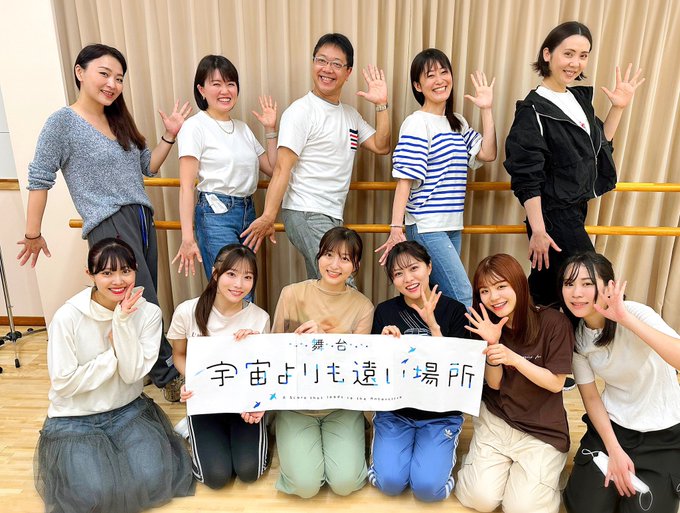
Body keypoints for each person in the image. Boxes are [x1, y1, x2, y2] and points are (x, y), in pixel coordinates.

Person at [19, 43, 191, 399]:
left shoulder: (118, 119)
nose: (113, 84)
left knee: (140, 299)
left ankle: (139, 364)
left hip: (141, 217)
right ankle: (167, 377)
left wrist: (170, 136)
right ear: (80, 72)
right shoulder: (63, 122)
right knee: (143, 299)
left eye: (119, 78)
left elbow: (148, 167)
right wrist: (32, 233)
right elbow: (40, 177)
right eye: (105, 74)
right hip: (109, 222)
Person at [33, 238, 194, 513]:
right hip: (75, 418)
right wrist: (115, 353)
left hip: (127, 411)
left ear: (135, 270)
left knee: (153, 479)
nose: (118, 281)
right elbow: (64, 383)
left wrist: (121, 324)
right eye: (107, 273)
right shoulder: (67, 317)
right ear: (90, 274)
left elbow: (133, 375)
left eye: (125, 271)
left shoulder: (149, 313)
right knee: (94, 496)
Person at [504, 21, 644, 307]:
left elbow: (598, 147)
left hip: (575, 209)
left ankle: (536, 331)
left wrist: (618, 107)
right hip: (552, 215)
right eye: (568, 54)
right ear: (547, 54)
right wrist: (539, 230)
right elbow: (526, 177)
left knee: (551, 290)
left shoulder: (577, 99)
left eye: (583, 55)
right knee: (596, 285)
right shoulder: (533, 110)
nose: (575, 63)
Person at [241, 32, 391, 281]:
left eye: (336, 64)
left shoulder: (350, 115)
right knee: (341, 282)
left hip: (331, 213)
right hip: (306, 210)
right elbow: (282, 168)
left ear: (348, 72)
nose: (327, 69)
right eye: (321, 60)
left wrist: (381, 105)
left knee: (323, 287)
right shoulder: (301, 111)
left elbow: (382, 145)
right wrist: (268, 216)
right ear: (313, 64)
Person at [559, 252, 680, 513]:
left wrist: (625, 319)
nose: (576, 293)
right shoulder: (578, 337)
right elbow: (591, 397)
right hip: (614, 427)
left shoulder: (636, 312)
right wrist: (614, 450)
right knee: (586, 507)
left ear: (608, 286)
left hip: (662, 433)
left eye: (587, 283)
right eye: (569, 284)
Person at [375, 48, 497, 308]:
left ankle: (437, 335)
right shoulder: (417, 123)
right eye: (430, 75)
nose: (440, 80)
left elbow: (488, 154)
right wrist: (396, 227)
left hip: (452, 223)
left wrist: (487, 109)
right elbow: (405, 180)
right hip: (427, 226)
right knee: (462, 295)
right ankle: (470, 338)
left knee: (445, 300)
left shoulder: (457, 123)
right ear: (418, 86)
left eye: (444, 72)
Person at [454, 253, 575, 513]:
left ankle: (549, 477)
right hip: (498, 420)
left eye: (501, 286)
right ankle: (483, 465)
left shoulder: (554, 323)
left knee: (522, 508)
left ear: (519, 284)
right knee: (479, 500)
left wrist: (514, 358)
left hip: (542, 429)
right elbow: (495, 385)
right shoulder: (483, 325)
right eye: (485, 291)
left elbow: (556, 383)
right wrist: (492, 344)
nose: (494, 297)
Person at [271, 226, 373, 498]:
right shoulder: (291, 294)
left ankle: (348, 439)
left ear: (356, 266)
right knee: (305, 487)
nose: (334, 265)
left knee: (345, 484)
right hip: (297, 405)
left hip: (341, 405)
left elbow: (356, 365)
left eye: (345, 258)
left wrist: (324, 341)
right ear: (318, 257)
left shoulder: (363, 306)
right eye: (328, 255)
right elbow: (275, 351)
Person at [368, 241, 468, 502]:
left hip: (440, 415)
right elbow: (374, 371)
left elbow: (458, 370)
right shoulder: (385, 311)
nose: (408, 278)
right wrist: (383, 345)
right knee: (390, 484)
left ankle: (436, 462)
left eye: (414, 268)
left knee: (428, 489)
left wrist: (434, 326)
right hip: (396, 413)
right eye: (398, 273)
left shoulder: (455, 311)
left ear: (429, 267)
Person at [167, 244, 270, 489]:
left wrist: (255, 344)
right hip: (206, 403)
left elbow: (264, 369)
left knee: (249, 471)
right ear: (215, 274)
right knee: (216, 477)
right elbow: (179, 355)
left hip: (242, 404)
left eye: (247, 277)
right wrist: (193, 380)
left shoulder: (259, 317)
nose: (239, 284)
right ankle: (194, 430)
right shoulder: (187, 311)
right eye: (231, 274)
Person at [173, 55, 278, 279]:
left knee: (244, 283)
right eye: (216, 84)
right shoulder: (194, 126)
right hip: (215, 214)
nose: (225, 91)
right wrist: (187, 237)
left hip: (248, 214)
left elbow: (272, 168)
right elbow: (186, 187)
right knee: (229, 285)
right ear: (201, 90)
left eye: (230, 84)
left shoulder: (243, 128)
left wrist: (270, 129)